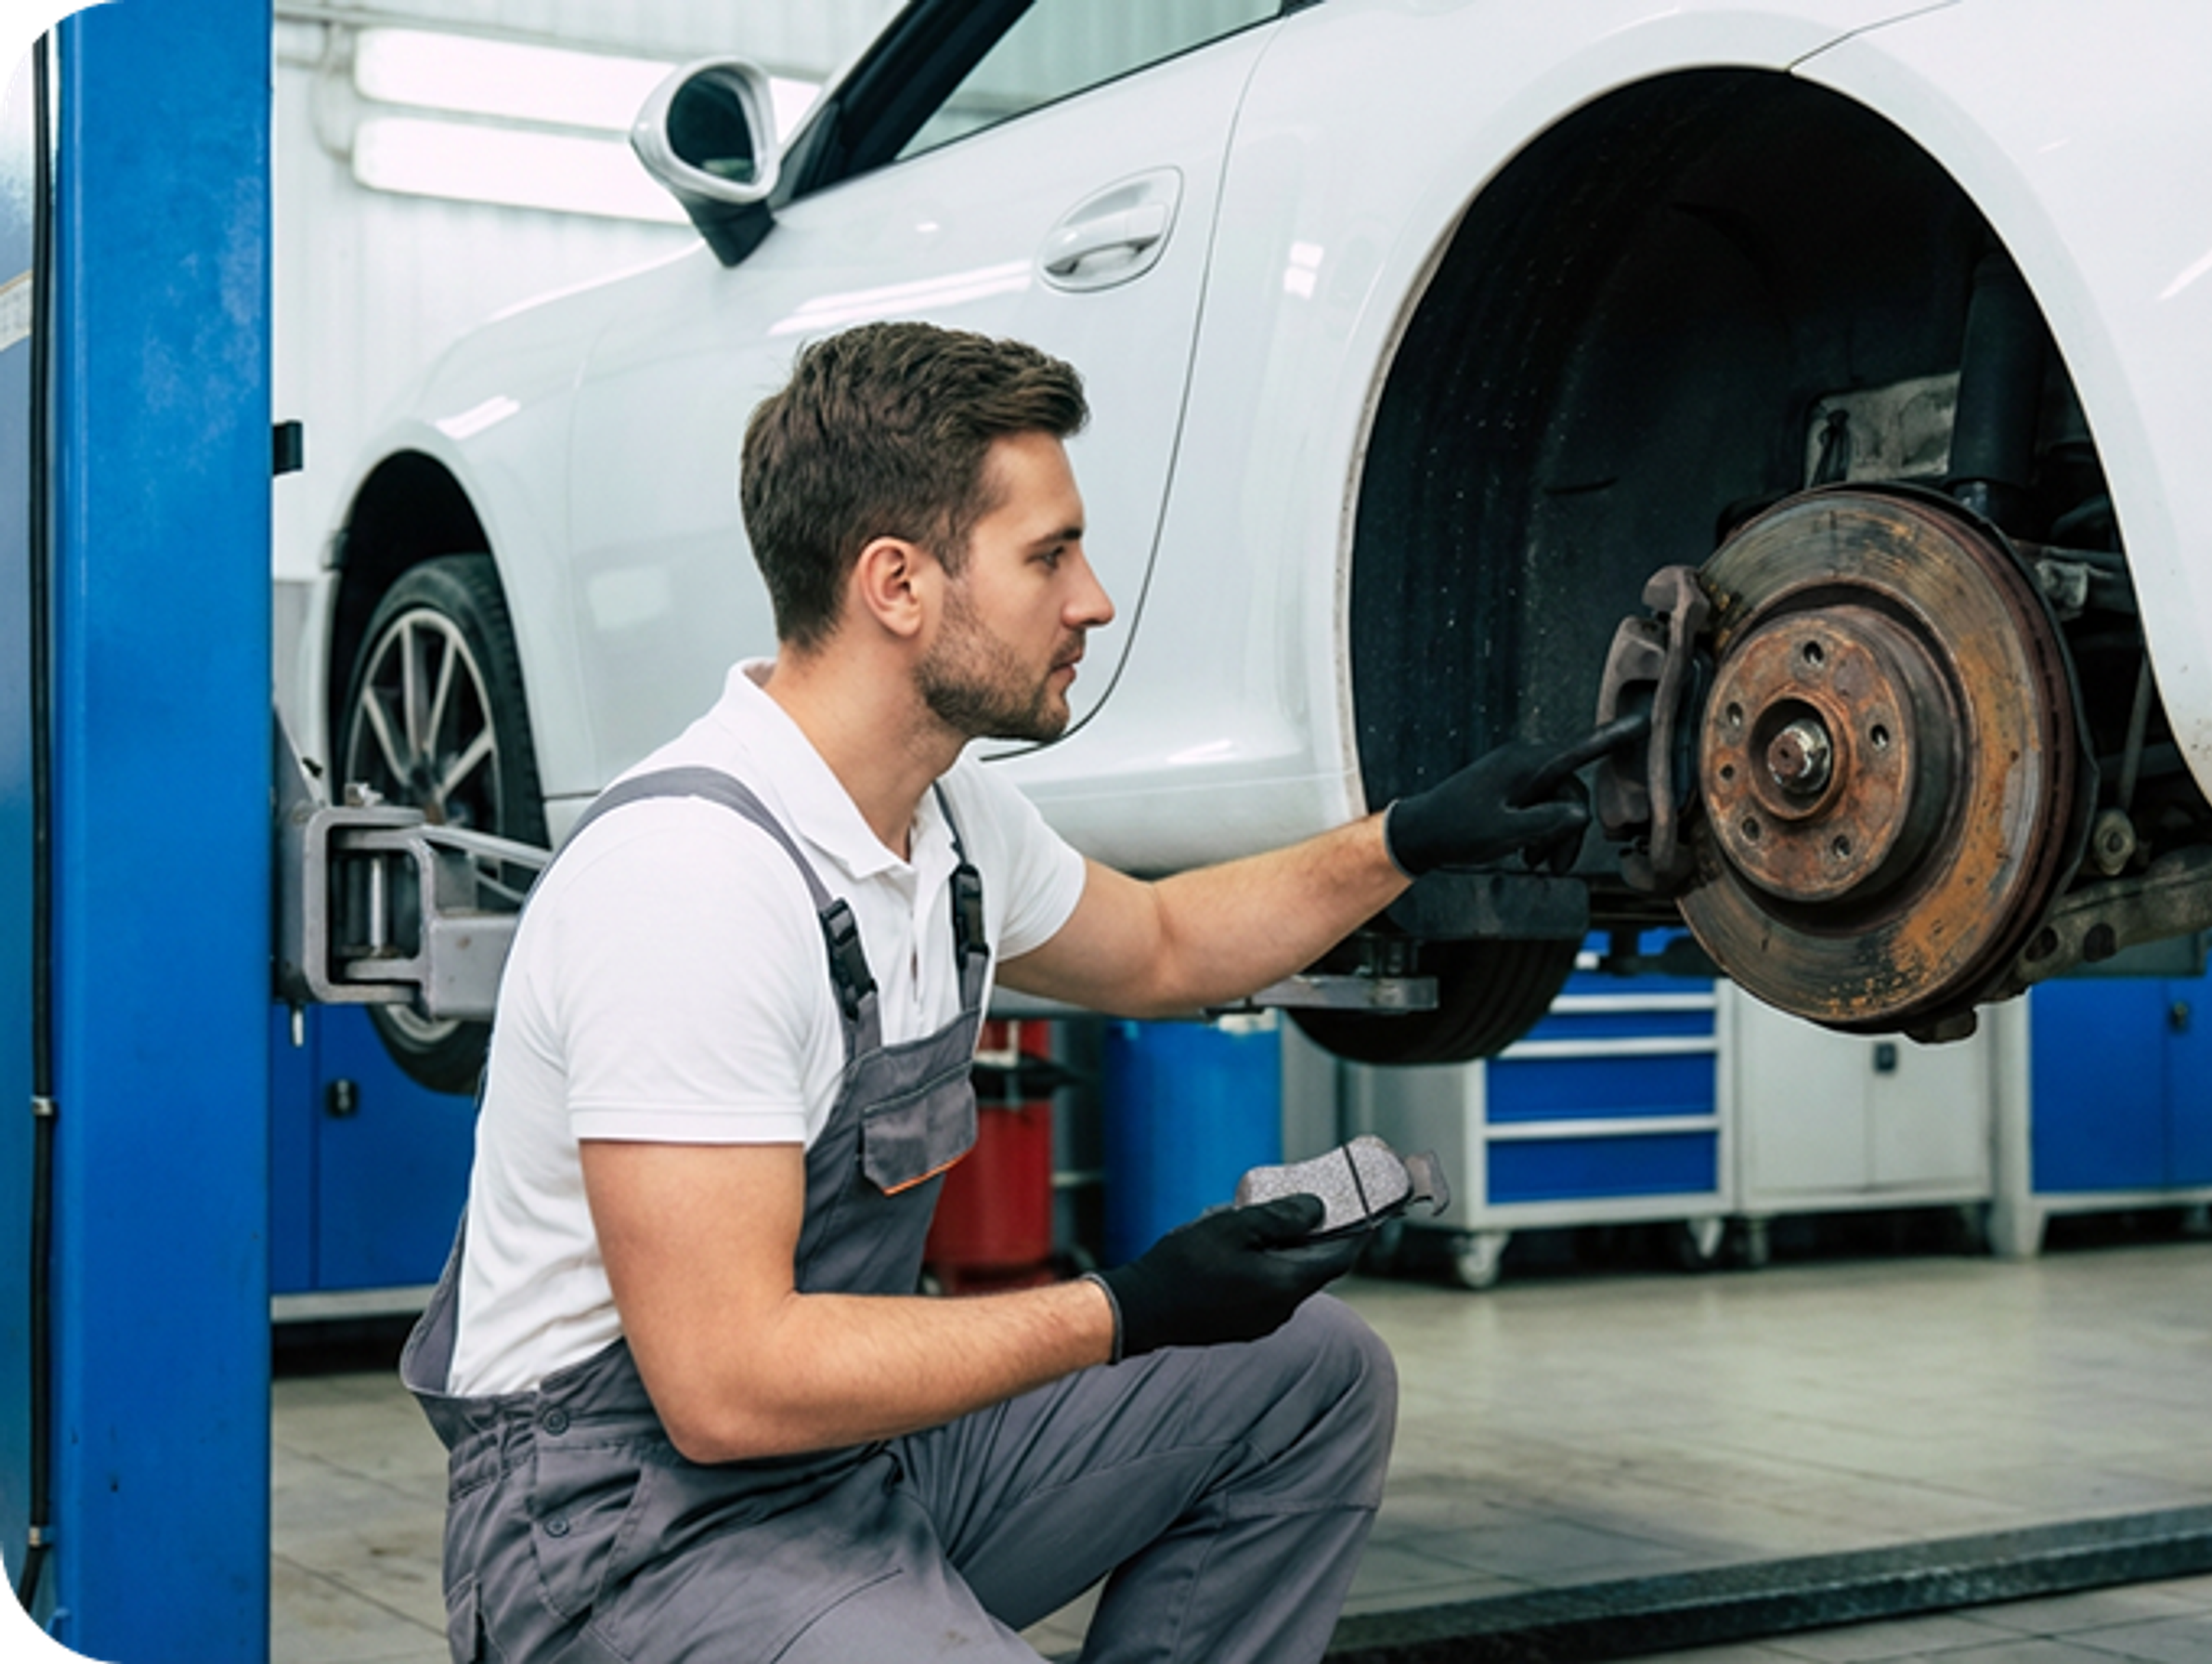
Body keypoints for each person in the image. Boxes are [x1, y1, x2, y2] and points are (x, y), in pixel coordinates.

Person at [400, 320, 1615, 1663]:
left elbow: (1159, 942)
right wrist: (1126, 1306)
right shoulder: (695, 879)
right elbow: (725, 1383)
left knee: (1312, 1376)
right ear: (897, 585)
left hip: (847, 1463)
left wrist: (1406, 841)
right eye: (1050, 554)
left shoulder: (946, 819)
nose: (1091, 598)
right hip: (621, 1533)